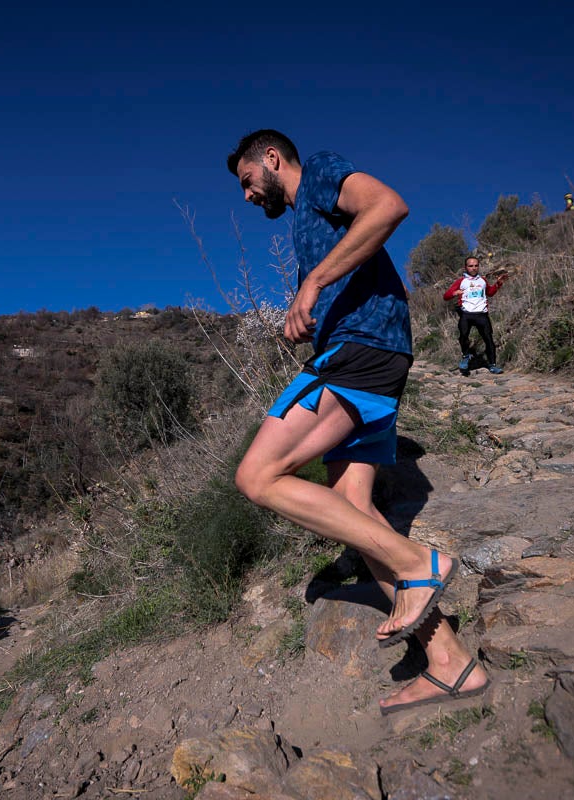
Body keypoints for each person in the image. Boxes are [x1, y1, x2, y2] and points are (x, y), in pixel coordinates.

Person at [226, 130, 489, 714]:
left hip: (360, 352)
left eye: (247, 181)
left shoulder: (317, 171)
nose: (247, 196)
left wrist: (315, 283)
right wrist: (307, 307)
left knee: (257, 476)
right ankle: (450, 662)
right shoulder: (305, 225)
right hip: (368, 353)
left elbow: (388, 205)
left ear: (271, 160)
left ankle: (418, 562)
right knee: (354, 509)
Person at [443, 256, 508, 374]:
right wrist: (454, 293)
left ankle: (492, 365)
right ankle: (466, 356)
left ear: (478, 266)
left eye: (476, 266)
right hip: (466, 314)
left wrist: (498, 284)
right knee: (463, 336)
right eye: (470, 266)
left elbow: (490, 293)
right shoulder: (460, 281)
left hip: (481, 314)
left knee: (488, 339)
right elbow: (446, 296)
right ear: (466, 267)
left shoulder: (482, 280)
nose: (473, 268)